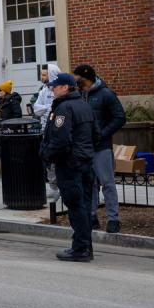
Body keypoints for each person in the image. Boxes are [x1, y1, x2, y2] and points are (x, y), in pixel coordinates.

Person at [40, 72, 96, 262]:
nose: (52, 89)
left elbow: (61, 140)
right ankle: (86, 246)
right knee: (85, 205)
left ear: (65, 87)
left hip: (70, 163)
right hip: (86, 162)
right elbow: (95, 134)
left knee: (75, 206)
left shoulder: (64, 108)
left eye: (55, 86)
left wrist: (47, 155)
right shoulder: (85, 105)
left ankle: (80, 248)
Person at [74, 63, 127, 234]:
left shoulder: (106, 94)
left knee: (107, 183)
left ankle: (113, 219)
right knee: (89, 184)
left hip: (102, 148)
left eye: (77, 76)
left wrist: (102, 134)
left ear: (85, 77)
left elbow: (119, 117)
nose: (74, 79)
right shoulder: (79, 95)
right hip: (84, 148)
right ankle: (91, 216)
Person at [32, 64, 62, 208]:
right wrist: (47, 108)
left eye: (45, 74)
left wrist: (47, 108)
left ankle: (61, 188)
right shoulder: (43, 90)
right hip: (45, 130)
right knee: (48, 161)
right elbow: (37, 109)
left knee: (58, 161)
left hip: (57, 131)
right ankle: (54, 187)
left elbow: (56, 108)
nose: (42, 77)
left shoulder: (60, 89)